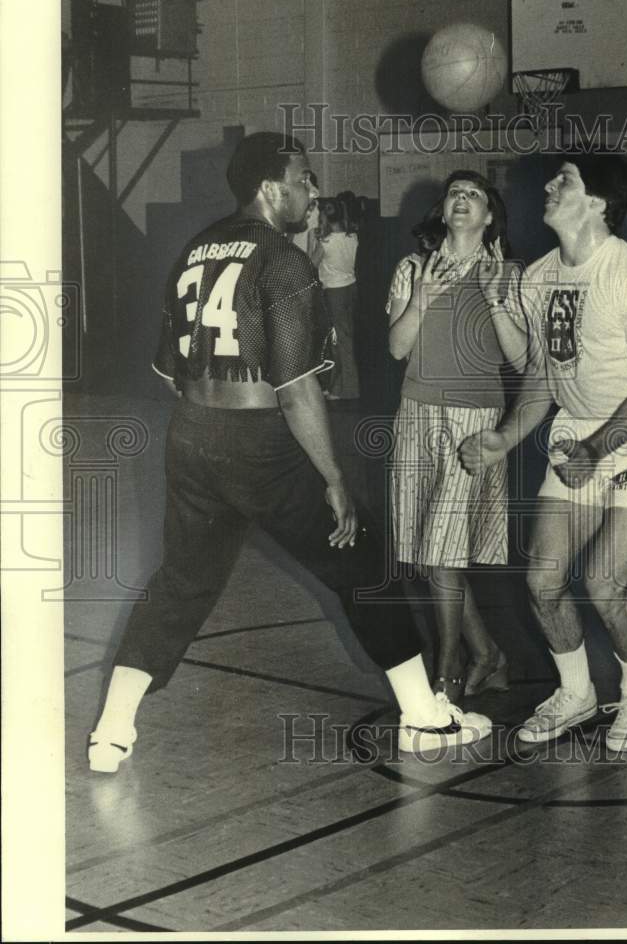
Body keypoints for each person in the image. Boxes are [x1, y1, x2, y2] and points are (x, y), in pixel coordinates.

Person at [87, 132, 492, 773]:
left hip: (190, 437)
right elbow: (298, 387)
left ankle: (111, 732)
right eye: (304, 179)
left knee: (182, 584)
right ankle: (425, 718)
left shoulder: (196, 247)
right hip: (260, 446)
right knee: (365, 564)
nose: (313, 191)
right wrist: (332, 477)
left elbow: (167, 372)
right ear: (272, 190)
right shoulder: (283, 260)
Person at [460, 153, 627, 751]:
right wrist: (506, 438)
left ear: (598, 203)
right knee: (542, 582)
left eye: (568, 180)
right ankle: (577, 693)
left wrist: (597, 447)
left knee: (605, 584)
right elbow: (540, 376)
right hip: (575, 434)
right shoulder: (537, 278)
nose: (551, 186)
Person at [386, 171, 514, 706]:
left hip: (473, 423)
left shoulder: (508, 274)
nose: (462, 200)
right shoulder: (412, 268)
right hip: (415, 415)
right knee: (432, 552)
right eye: (455, 193)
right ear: (442, 210)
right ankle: (488, 654)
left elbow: (519, 357)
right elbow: (396, 349)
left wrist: (495, 298)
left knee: (442, 551)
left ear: (488, 217)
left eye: (475, 195)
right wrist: (421, 300)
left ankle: (449, 661)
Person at [313, 192, 362, 400]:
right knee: (345, 338)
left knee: (340, 342)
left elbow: (311, 264)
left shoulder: (326, 242)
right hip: (351, 287)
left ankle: (347, 390)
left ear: (325, 217)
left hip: (334, 292)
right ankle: (336, 386)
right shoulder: (352, 236)